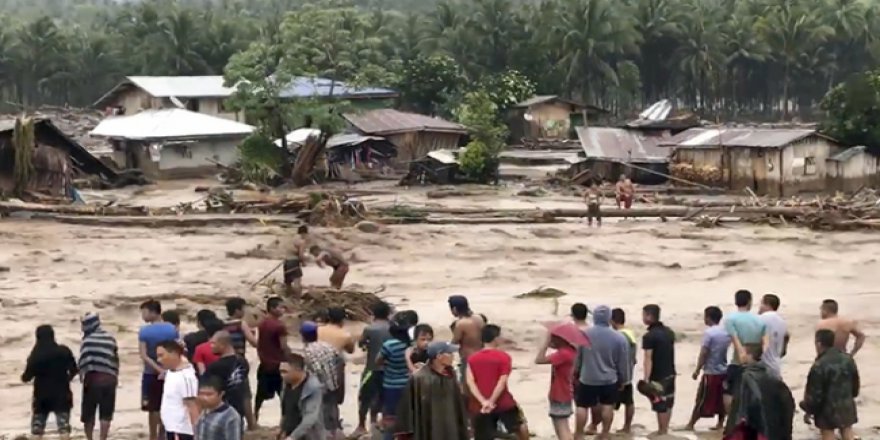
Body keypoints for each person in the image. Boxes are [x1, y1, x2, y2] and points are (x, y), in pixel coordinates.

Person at [573, 305, 629, 440]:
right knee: (607, 406)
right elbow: (622, 362)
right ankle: (605, 433)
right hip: (609, 378)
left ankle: (579, 433)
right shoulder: (619, 338)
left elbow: (578, 358)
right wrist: (624, 379)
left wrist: (576, 373)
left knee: (582, 406)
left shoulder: (584, 334)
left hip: (588, 377)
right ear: (609, 318)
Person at [393, 341, 470, 440]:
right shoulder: (419, 379)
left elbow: (458, 405)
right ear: (439, 356)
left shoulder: (451, 377)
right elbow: (408, 409)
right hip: (427, 430)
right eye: (449, 353)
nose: (453, 356)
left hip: (450, 428)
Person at [466, 324, 530, 440]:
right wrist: (491, 401)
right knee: (519, 427)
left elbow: (470, 382)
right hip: (503, 402)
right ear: (496, 339)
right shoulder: (504, 357)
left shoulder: (472, 359)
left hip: (479, 406)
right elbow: (501, 382)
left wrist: (483, 402)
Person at [723, 344, 794, 440]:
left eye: (742, 352)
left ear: (750, 355)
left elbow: (739, 408)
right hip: (772, 430)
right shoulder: (770, 375)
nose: (740, 355)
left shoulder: (745, 378)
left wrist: (730, 431)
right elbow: (787, 402)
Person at [801, 329, 860, 440]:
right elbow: (855, 386)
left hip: (826, 411)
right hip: (846, 405)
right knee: (848, 433)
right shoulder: (848, 360)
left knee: (828, 435)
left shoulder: (819, 365)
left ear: (818, 343)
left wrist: (808, 410)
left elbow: (815, 396)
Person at [22, 325, 78, 440]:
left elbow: (26, 377)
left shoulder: (35, 355)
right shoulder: (64, 351)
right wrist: (67, 379)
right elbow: (75, 369)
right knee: (63, 428)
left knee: (38, 429)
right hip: (62, 394)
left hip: (41, 396)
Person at [139, 300, 179, 440]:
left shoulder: (144, 331)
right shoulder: (171, 329)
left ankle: (152, 436)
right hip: (170, 371)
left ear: (151, 312)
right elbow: (176, 350)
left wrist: (158, 369)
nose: (142, 315)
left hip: (151, 373)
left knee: (152, 407)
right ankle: (163, 434)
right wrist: (166, 369)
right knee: (167, 404)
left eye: (144, 312)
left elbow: (144, 355)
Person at [684, 306, 729, 432]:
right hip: (723, 370)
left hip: (711, 371)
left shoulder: (709, 333)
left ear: (708, 318)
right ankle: (720, 423)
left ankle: (691, 424)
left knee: (701, 398)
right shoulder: (726, 332)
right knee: (721, 399)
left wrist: (697, 369)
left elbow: (704, 352)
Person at [536, 323, 584, 440]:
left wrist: (545, 343)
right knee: (563, 427)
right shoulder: (571, 351)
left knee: (562, 429)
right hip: (565, 392)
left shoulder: (563, 354)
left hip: (560, 394)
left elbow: (539, 359)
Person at [351, 301, 392, 438]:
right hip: (389, 369)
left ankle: (362, 425)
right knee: (385, 397)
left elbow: (362, 344)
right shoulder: (393, 328)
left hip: (372, 368)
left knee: (365, 397)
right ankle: (379, 424)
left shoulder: (370, 329)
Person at [722, 290, 766, 415]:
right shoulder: (759, 320)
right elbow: (763, 343)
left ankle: (731, 420)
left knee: (728, 393)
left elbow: (734, 339)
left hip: (737, 362)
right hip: (755, 362)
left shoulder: (730, 319)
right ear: (749, 302)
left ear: (736, 302)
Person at [79, 313, 119, 440]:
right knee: (106, 413)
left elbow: (84, 361)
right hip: (110, 379)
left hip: (93, 380)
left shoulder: (87, 340)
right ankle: (103, 438)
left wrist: (81, 375)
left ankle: (89, 438)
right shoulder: (110, 338)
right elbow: (115, 358)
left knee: (89, 413)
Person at [301, 321, 343, 437]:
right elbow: (340, 361)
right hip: (334, 384)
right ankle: (335, 431)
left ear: (302, 336)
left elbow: (317, 370)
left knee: (319, 413)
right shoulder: (327, 346)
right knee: (333, 408)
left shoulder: (308, 352)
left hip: (320, 386)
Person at [223, 297, 258, 429]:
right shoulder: (241, 323)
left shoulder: (223, 324)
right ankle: (251, 423)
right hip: (239, 361)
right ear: (237, 310)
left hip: (227, 360)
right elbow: (253, 342)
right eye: (243, 308)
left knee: (230, 390)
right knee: (245, 393)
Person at [641, 304, 676, 436]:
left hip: (658, 373)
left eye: (644, 315)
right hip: (670, 372)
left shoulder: (649, 336)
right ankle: (664, 429)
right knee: (669, 401)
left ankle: (661, 431)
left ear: (649, 316)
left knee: (659, 402)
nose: (643, 317)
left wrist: (646, 378)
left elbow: (648, 358)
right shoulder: (669, 332)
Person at [255, 297, 290, 421]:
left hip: (264, 363)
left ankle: (254, 418)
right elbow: (283, 346)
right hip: (278, 365)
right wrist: (290, 359)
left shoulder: (262, 323)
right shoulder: (280, 326)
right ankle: (284, 421)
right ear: (272, 308)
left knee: (260, 395)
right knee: (284, 396)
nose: (283, 310)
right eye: (281, 307)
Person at [156, 340, 200, 440]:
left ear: (174, 354)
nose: (159, 360)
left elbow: (192, 407)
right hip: (170, 427)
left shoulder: (186, 377)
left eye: (162, 355)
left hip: (181, 431)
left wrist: (197, 434)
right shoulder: (171, 371)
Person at [377, 319, 412, 440]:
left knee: (390, 417)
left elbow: (378, 360)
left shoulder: (389, 345)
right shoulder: (410, 344)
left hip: (391, 385)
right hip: (408, 384)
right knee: (407, 415)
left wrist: (387, 363)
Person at [205, 331, 250, 420]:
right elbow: (245, 391)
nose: (211, 346)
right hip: (239, 412)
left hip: (221, 412)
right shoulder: (243, 362)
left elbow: (209, 392)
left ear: (223, 345)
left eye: (213, 344)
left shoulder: (215, 367)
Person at [279, 353, 325, 440]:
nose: (282, 375)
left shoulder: (313, 387)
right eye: (281, 371)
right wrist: (282, 429)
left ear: (298, 370)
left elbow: (310, 417)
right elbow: (286, 410)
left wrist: (293, 437)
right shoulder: (286, 384)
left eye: (285, 372)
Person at [610, 308, 636, 434]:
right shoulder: (630, 334)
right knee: (629, 401)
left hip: (618, 376)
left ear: (612, 321)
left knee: (609, 403)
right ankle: (627, 427)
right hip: (629, 373)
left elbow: (617, 357)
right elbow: (633, 358)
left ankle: (605, 429)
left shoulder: (619, 336)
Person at [449, 295, 485, 382]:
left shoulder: (461, 324)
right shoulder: (479, 318)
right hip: (482, 355)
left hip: (469, 358)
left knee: (466, 385)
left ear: (454, 309)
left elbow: (454, 343)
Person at [758, 294, 789, 379]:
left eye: (761, 303)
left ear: (767, 304)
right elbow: (785, 346)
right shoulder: (783, 322)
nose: (759, 307)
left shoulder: (760, 319)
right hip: (776, 366)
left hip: (762, 367)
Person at [284, 225, 311, 297]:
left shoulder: (291, 238)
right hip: (294, 262)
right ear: (304, 233)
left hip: (286, 262)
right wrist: (304, 262)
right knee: (297, 283)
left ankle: (288, 298)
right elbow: (301, 255)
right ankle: (297, 300)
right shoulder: (301, 241)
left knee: (288, 282)